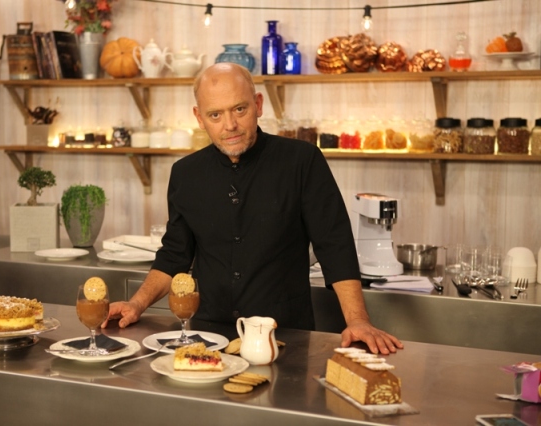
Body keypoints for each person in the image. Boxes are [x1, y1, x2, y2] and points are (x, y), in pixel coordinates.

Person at [103, 63, 403, 355]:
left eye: (239, 109)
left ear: (258, 104)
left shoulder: (302, 161)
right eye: (215, 114)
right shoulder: (185, 173)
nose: (229, 125)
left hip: (286, 337)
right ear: (199, 118)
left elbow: (334, 245)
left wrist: (358, 321)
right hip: (208, 338)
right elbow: (174, 254)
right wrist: (136, 304)